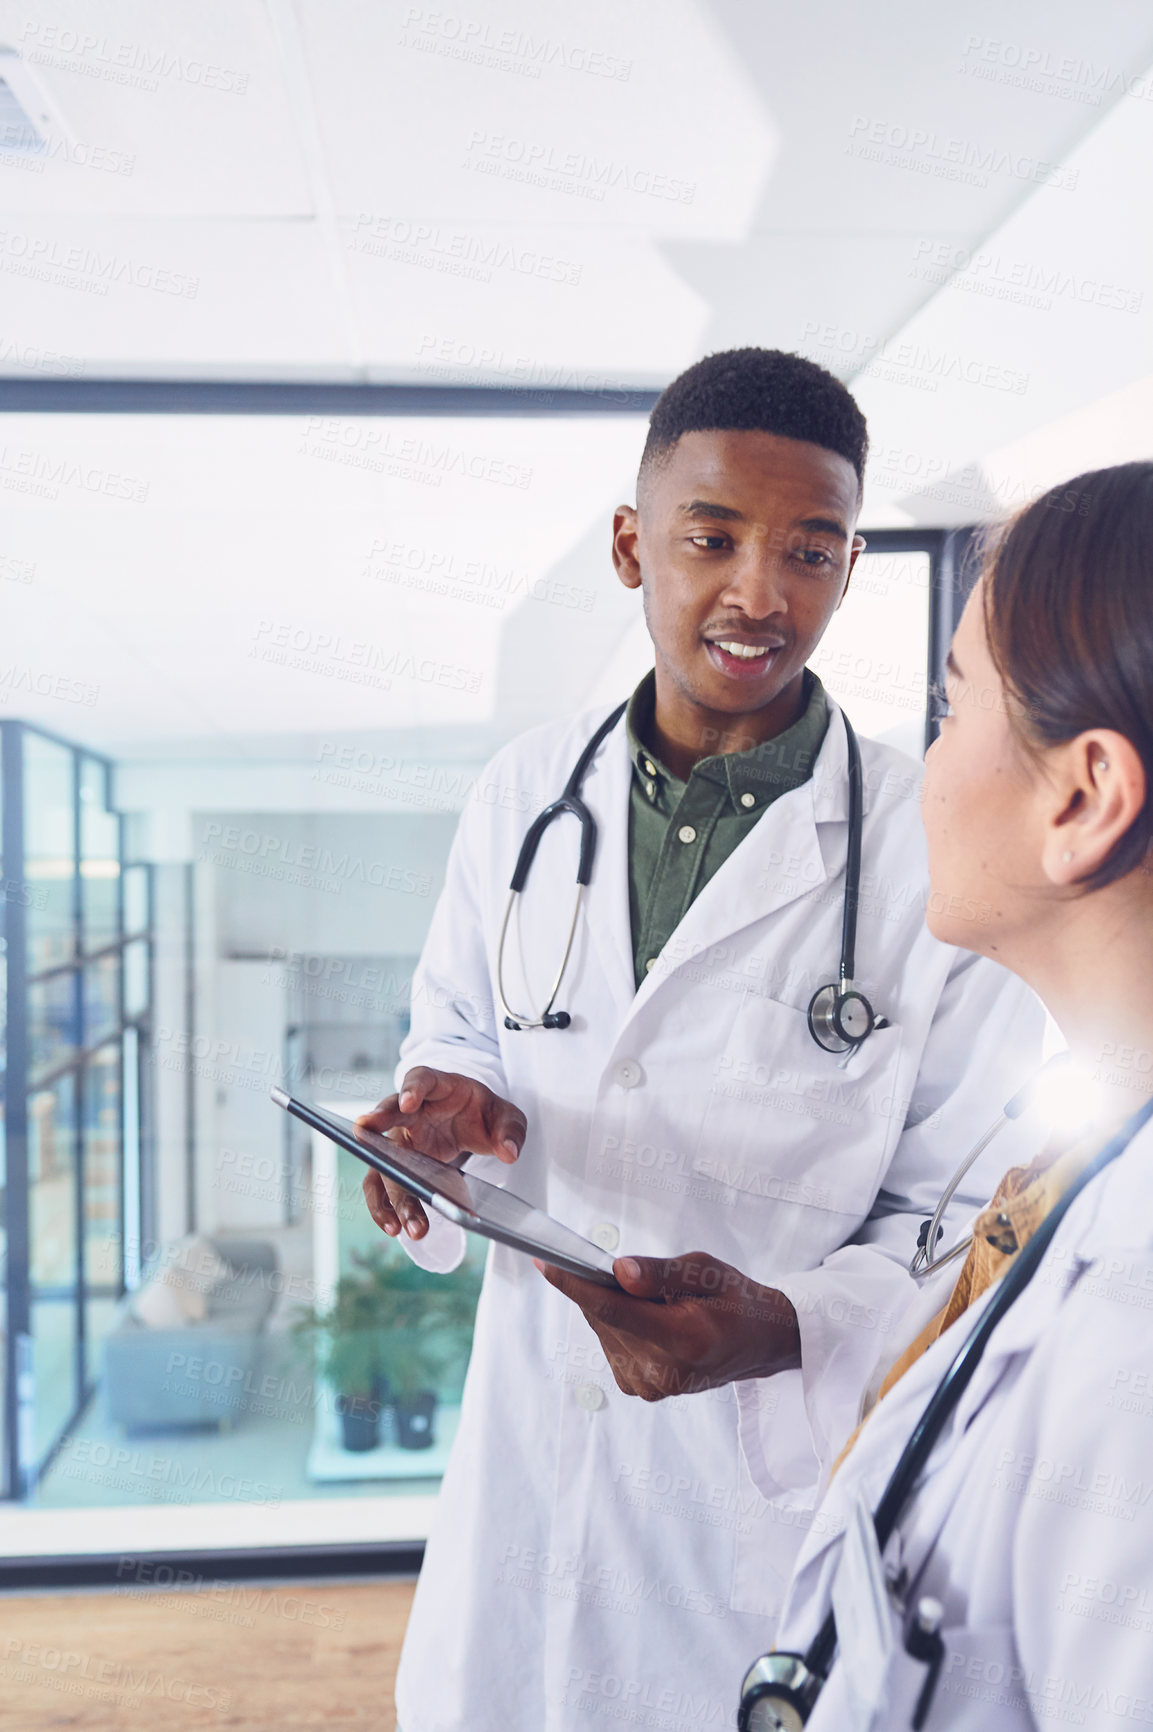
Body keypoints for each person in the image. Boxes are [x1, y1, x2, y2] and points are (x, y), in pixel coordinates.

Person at [358, 348, 1045, 1732]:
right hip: (523, 1480)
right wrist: (441, 1119)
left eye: (811, 548)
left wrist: (782, 1327)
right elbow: (459, 1036)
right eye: (712, 536)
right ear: (631, 545)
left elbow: (956, 1217)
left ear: (849, 566)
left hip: (746, 1511)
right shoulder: (520, 797)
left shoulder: (929, 849)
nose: (761, 593)